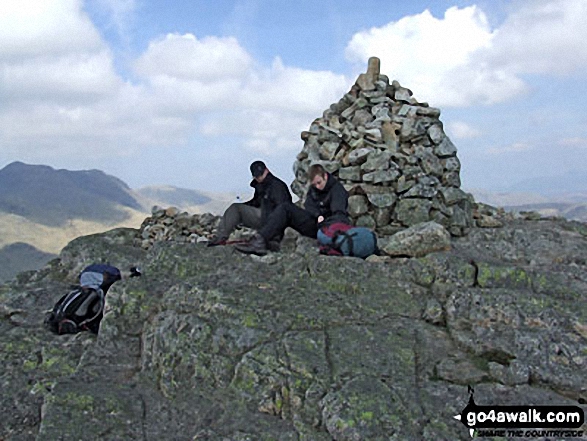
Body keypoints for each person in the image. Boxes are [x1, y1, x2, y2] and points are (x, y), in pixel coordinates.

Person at [236, 164, 349, 256]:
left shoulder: (337, 190)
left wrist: (323, 220)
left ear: (325, 176)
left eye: (319, 183)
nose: (317, 187)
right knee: (285, 208)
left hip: (327, 229)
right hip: (314, 221)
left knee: (285, 207)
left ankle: (261, 240)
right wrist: (317, 214)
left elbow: (339, 216)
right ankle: (262, 240)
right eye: (314, 184)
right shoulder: (314, 189)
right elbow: (309, 205)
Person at [208, 161, 292, 246]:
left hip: (269, 220)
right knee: (237, 209)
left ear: (267, 170)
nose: (259, 178)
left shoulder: (277, 186)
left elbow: (283, 209)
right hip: (265, 217)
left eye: (261, 175)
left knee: (235, 208)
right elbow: (255, 202)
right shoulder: (263, 185)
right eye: (257, 176)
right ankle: (221, 237)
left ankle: (220, 238)